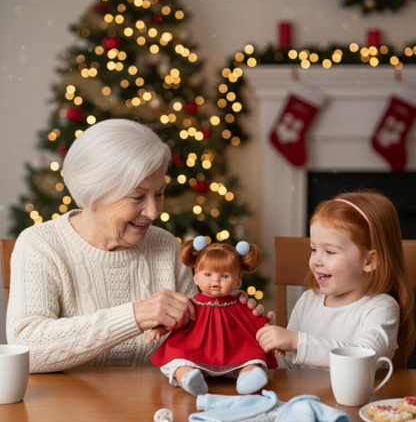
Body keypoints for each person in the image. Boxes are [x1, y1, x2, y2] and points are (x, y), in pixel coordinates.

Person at [6, 119, 271, 373]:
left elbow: (196, 340)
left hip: (156, 408)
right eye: (137, 196)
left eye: (159, 193)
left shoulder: (165, 245)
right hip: (67, 411)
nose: (154, 211)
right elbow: (26, 346)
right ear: (92, 194)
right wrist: (133, 317)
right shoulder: (41, 245)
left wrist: (224, 311)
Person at [256, 191, 415, 370]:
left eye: (330, 252)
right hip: (301, 398)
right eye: (313, 249)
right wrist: (258, 341)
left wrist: (298, 342)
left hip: (362, 399)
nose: (316, 260)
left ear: (369, 261)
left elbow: (365, 357)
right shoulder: (307, 301)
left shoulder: (382, 308)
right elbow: (287, 366)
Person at [147, 237, 278, 396]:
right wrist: (159, 329)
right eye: (208, 274)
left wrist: (272, 338)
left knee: (253, 359)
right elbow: (174, 318)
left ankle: (247, 377)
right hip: (196, 350)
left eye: (225, 276)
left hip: (234, 350)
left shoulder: (240, 303)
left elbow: (255, 322)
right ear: (196, 278)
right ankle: (189, 379)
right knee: (179, 361)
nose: (216, 279)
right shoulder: (190, 304)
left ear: (238, 282)